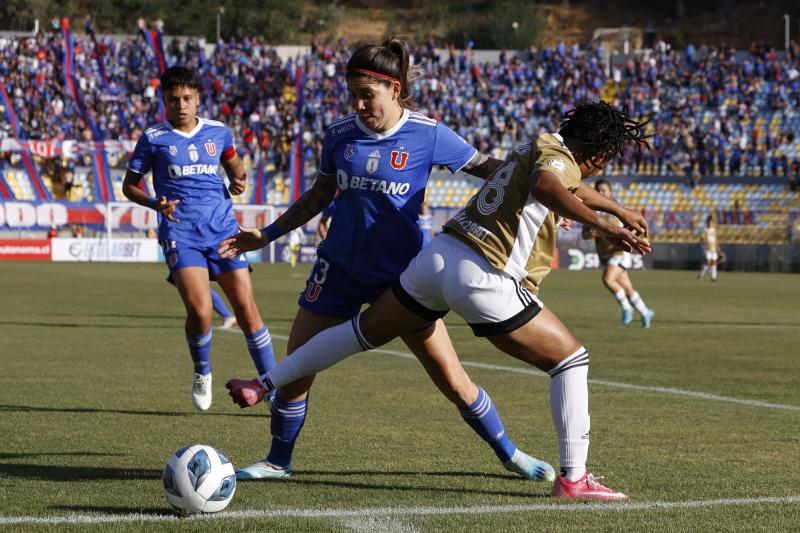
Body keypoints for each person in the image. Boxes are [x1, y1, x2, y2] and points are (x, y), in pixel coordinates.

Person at [226, 101, 652, 501]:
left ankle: (263, 383)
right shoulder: (556, 161)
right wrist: (607, 227)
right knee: (571, 361)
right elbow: (548, 185)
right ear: (598, 155)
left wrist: (617, 209)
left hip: (437, 259)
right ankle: (574, 478)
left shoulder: (540, 144)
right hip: (485, 274)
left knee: (359, 333)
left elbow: (562, 183)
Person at [218, 37, 554, 483]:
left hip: (404, 279)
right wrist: (267, 235)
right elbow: (319, 194)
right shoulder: (339, 134)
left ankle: (510, 454)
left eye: (367, 95)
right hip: (338, 269)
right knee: (296, 370)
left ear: (394, 89)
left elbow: (495, 169)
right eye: (352, 95)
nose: (358, 105)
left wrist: (549, 195)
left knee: (452, 379)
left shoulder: (429, 134)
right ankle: (278, 461)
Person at [121, 66, 276, 411]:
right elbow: (129, 186)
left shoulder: (219, 132)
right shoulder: (153, 137)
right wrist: (154, 203)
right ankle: (202, 370)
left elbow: (235, 169)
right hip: (181, 233)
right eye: (173, 99)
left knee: (248, 313)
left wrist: (239, 181)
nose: (181, 105)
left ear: (197, 99)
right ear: (164, 101)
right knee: (201, 311)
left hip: (223, 231)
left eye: (187, 98)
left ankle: (272, 388)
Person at [583, 179, 655, 328]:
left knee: (608, 279)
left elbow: (631, 229)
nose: (601, 193)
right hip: (605, 254)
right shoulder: (590, 211)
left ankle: (626, 307)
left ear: (610, 192)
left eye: (604, 190)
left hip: (619, 252)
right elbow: (584, 234)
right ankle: (645, 312)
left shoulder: (618, 210)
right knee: (628, 289)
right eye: (598, 190)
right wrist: (589, 234)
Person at [698, 215, 720, 281]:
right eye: (710, 221)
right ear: (708, 222)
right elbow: (702, 238)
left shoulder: (714, 229)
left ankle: (714, 277)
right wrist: (705, 244)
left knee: (714, 262)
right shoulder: (705, 229)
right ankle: (701, 274)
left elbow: (716, 238)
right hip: (708, 247)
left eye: (712, 221)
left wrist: (718, 246)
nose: (711, 223)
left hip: (714, 247)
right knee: (708, 262)